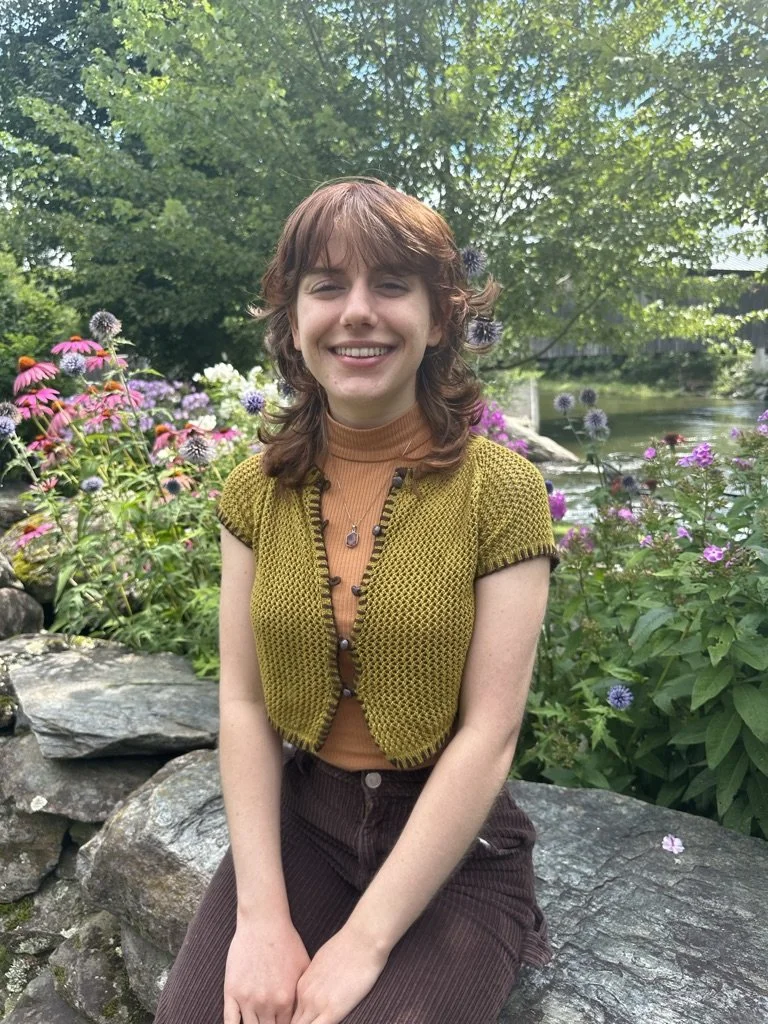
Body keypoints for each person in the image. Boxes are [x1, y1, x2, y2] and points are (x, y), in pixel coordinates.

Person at [154, 178, 558, 1024]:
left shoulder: (502, 493)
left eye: (392, 285)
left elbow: (491, 734)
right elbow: (243, 704)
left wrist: (364, 943)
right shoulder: (254, 493)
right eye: (328, 286)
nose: (358, 313)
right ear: (295, 318)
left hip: (454, 856)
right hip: (304, 826)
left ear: (439, 318)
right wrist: (261, 920)